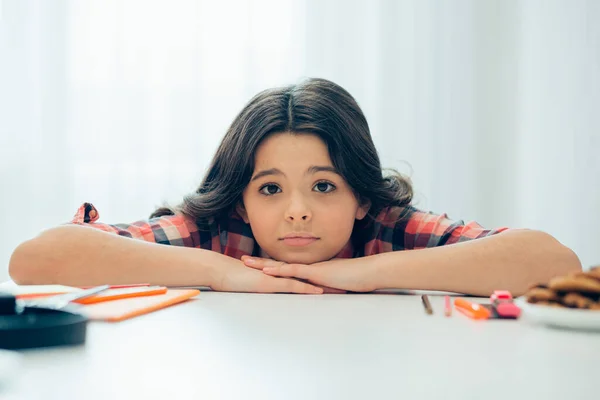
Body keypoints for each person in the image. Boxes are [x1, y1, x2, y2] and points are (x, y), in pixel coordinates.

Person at [9, 78, 581, 296]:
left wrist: (357, 273)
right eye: (271, 189)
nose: (298, 212)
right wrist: (224, 272)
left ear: (361, 196)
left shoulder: (386, 228)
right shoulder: (218, 231)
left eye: (325, 187)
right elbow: (37, 259)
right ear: (241, 198)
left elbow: (552, 260)